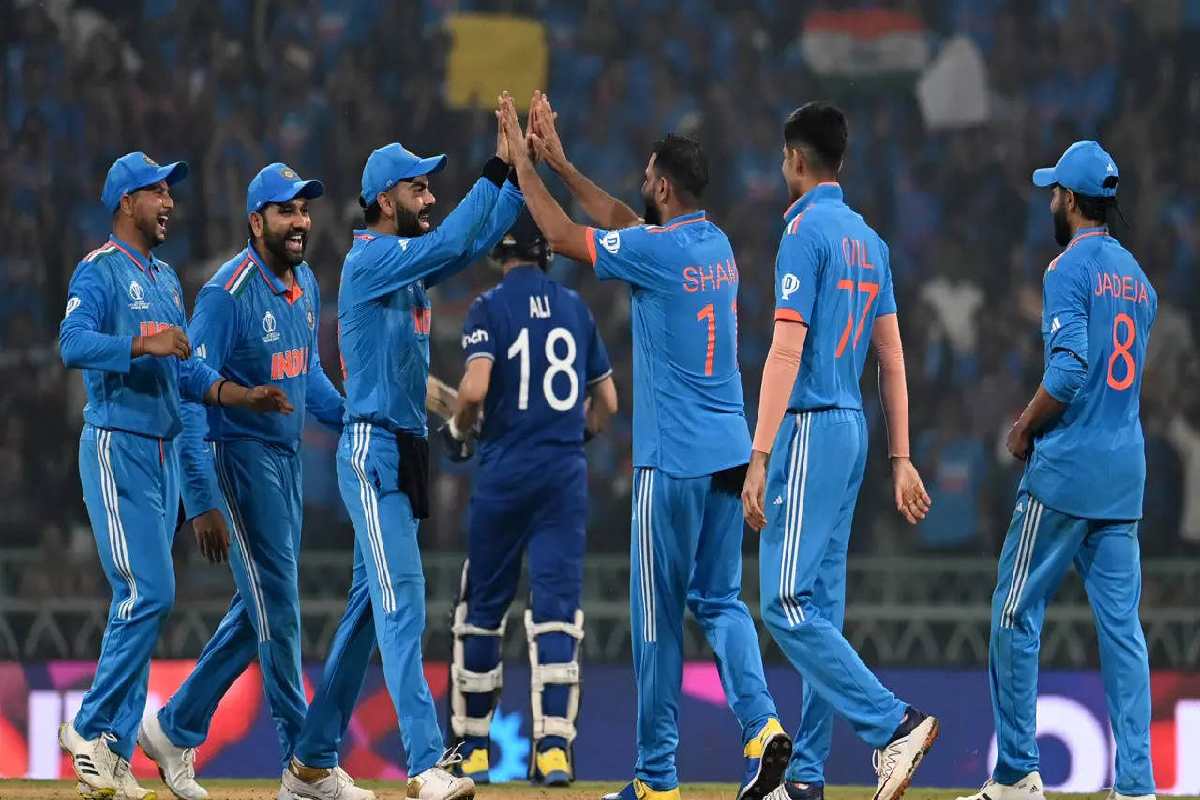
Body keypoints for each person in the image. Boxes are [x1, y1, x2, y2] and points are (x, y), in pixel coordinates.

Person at [501, 91, 790, 800]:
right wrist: (563, 164)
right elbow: (623, 223)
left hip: (673, 462)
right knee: (721, 602)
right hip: (729, 454)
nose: (639, 184)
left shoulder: (657, 254)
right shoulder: (714, 245)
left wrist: (521, 164)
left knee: (656, 622)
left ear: (662, 185)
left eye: (646, 175)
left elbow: (563, 235)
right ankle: (762, 727)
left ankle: (656, 779)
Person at [280, 106, 523, 800]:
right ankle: (424, 763)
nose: (430, 195)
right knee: (403, 601)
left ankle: (310, 763)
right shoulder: (371, 260)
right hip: (373, 454)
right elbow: (454, 242)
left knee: (367, 616)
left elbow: (472, 243)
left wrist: (515, 177)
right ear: (386, 200)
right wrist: (495, 169)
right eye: (419, 187)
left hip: (401, 453)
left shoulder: (404, 270)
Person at [57, 151, 292, 800]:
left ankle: (114, 757)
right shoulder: (99, 270)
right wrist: (142, 344)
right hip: (118, 446)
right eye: (157, 192)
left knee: (143, 601)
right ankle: (89, 730)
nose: (169, 203)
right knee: (150, 593)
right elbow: (71, 344)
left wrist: (239, 396)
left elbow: (185, 374)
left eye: (170, 192)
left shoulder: (164, 278)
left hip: (161, 454)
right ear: (126, 203)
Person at [136, 163, 357, 800]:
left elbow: (307, 373)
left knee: (259, 606)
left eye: (304, 209)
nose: (301, 221)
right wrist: (201, 497)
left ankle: (173, 728)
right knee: (279, 610)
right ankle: (304, 764)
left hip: (285, 463)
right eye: (286, 211)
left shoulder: (306, 282)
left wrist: (353, 419)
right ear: (256, 221)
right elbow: (188, 387)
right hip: (238, 460)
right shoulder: (225, 294)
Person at [738, 102, 937, 800]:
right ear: (840, 161)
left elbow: (785, 349)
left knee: (783, 604)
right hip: (853, 428)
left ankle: (894, 724)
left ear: (795, 159)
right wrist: (901, 457)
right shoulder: (869, 241)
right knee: (819, 608)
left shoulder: (802, 234)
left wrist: (759, 454)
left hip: (811, 426)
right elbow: (893, 358)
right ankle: (808, 777)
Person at [958, 141, 1158, 800]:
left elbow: (1070, 371)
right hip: (1123, 475)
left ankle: (1017, 773)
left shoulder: (1066, 270)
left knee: (1014, 611)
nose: (1049, 202)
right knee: (1123, 634)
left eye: (1054, 193)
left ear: (1070, 200)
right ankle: (1136, 786)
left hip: (1067, 471)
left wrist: (1023, 426)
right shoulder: (1139, 280)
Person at [441, 210, 618, 786]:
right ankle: (555, 750)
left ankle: (472, 750)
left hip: (505, 472)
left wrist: (459, 429)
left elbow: (474, 388)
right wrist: (577, 435)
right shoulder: (577, 309)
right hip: (563, 476)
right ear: (547, 254)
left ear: (502, 254)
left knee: (481, 612)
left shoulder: (488, 308)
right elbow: (608, 403)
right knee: (557, 612)